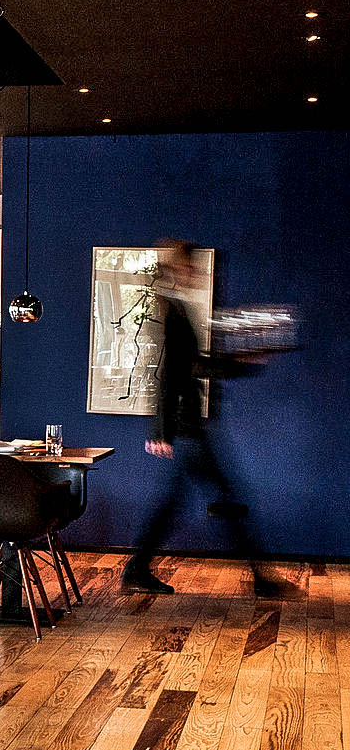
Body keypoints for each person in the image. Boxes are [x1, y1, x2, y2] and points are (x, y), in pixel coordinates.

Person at [122, 239, 276, 595]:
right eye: (192, 267)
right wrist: (160, 429)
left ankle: (137, 568)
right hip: (187, 426)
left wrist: (238, 364)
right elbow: (167, 372)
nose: (197, 273)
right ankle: (260, 578)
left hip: (187, 425)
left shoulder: (175, 309)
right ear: (179, 268)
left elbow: (192, 365)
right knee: (225, 495)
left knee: (179, 501)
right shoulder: (171, 312)